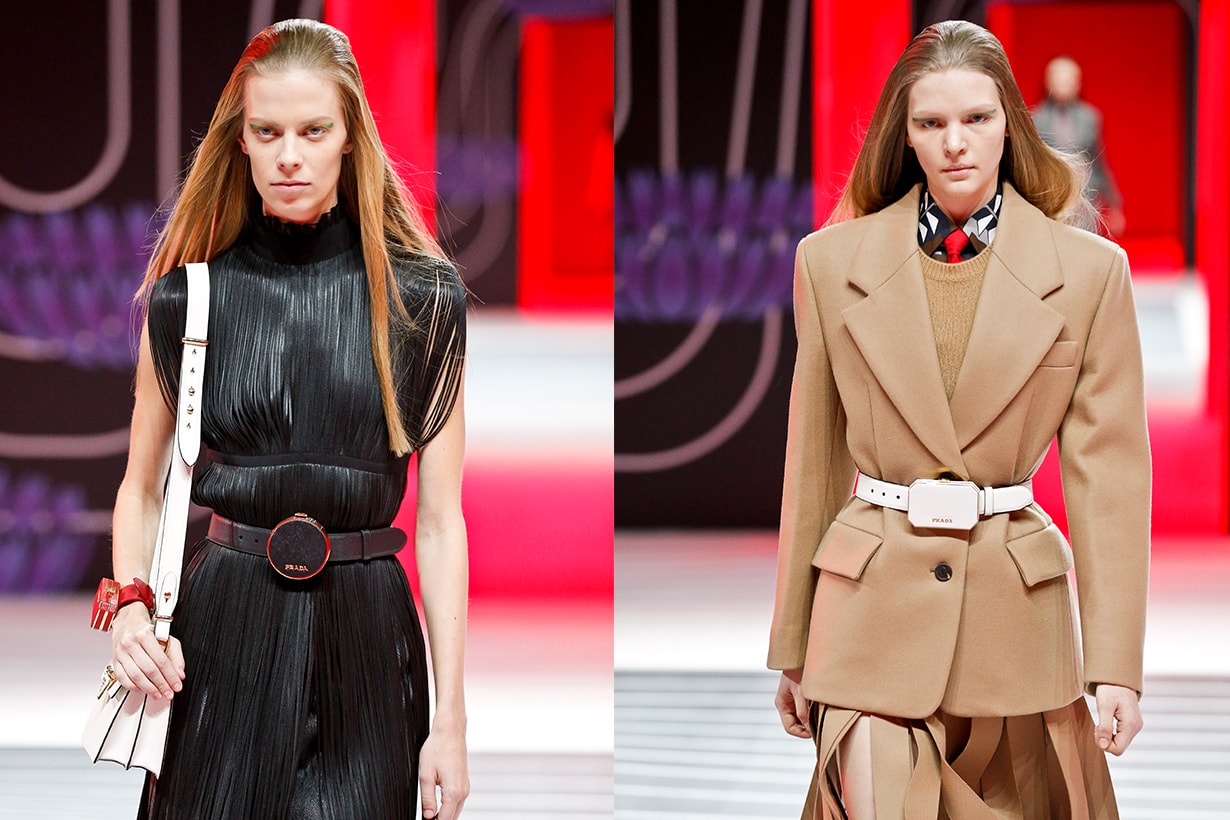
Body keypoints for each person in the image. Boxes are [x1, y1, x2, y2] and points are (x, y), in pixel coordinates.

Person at [769, 20, 1149, 819]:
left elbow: (1108, 476)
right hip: (869, 605)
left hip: (1014, 616)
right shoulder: (830, 264)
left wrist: (1116, 663)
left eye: (976, 118)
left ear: (1010, 121)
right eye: (930, 123)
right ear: (902, 136)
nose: (955, 143)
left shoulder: (1088, 276)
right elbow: (813, 465)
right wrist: (795, 647)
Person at [107, 19, 469, 819]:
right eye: (266, 132)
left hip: (369, 639)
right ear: (239, 141)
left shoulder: (422, 302)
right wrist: (128, 604)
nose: (289, 155)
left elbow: (442, 522)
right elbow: (140, 488)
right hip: (222, 635)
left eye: (313, 130)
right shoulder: (187, 300)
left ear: (351, 137)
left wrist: (452, 718)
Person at [1032, 56, 1125, 236]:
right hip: (1050, 197)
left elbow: (1098, 161)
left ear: (1077, 83)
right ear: (1048, 81)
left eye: (1068, 80)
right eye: (1058, 79)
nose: (1063, 85)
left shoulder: (1090, 118)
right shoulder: (1036, 119)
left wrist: (1114, 202)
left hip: (1085, 197)